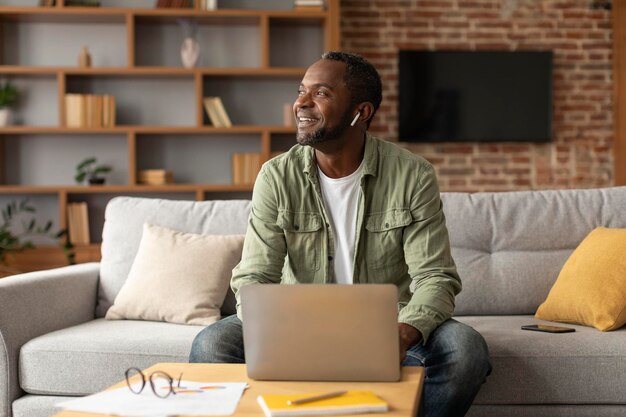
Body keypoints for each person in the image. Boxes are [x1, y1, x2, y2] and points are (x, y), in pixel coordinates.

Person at [189, 51, 491, 417]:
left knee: (466, 350)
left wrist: (402, 332)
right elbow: (255, 275)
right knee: (211, 344)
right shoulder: (276, 176)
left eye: (321, 93)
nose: (300, 103)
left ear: (360, 112)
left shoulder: (413, 175)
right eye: (301, 91)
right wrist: (272, 332)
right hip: (294, 321)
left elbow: (435, 277)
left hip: (388, 322)